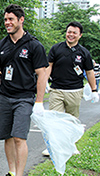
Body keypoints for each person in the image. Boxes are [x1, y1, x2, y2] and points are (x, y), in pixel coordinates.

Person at [0, 4, 48, 176]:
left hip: (25, 98)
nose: (7, 23)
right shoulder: (0, 45)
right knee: (7, 137)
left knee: (19, 137)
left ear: (21, 20)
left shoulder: (34, 45)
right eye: (5, 20)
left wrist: (39, 101)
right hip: (5, 97)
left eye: (11, 19)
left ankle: (19, 173)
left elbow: (42, 74)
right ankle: (11, 171)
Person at [43, 21, 99, 156]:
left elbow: (90, 72)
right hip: (56, 89)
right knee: (54, 119)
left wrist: (94, 90)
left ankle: (70, 145)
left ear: (80, 35)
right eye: (69, 32)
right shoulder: (56, 49)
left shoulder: (84, 52)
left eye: (74, 33)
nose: (71, 35)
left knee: (71, 120)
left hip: (75, 90)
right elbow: (49, 66)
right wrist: (44, 82)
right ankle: (52, 147)